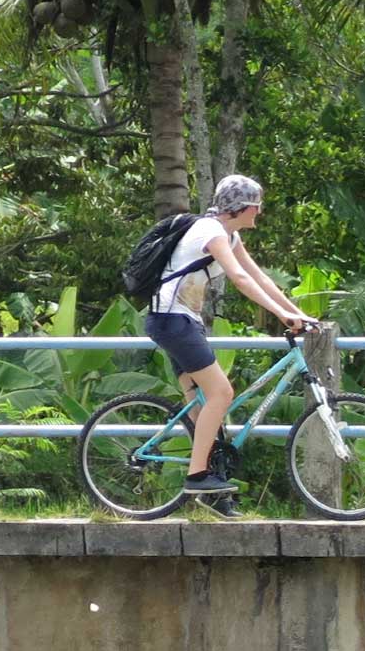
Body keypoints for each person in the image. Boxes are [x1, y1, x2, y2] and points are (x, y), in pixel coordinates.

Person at [144, 174, 312, 518]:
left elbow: (261, 277)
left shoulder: (228, 234)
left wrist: (299, 313)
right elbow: (239, 278)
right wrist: (281, 314)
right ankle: (196, 477)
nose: (259, 213)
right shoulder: (211, 232)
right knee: (221, 393)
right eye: (257, 207)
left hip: (183, 320)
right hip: (171, 320)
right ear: (244, 207)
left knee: (202, 405)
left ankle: (214, 489)